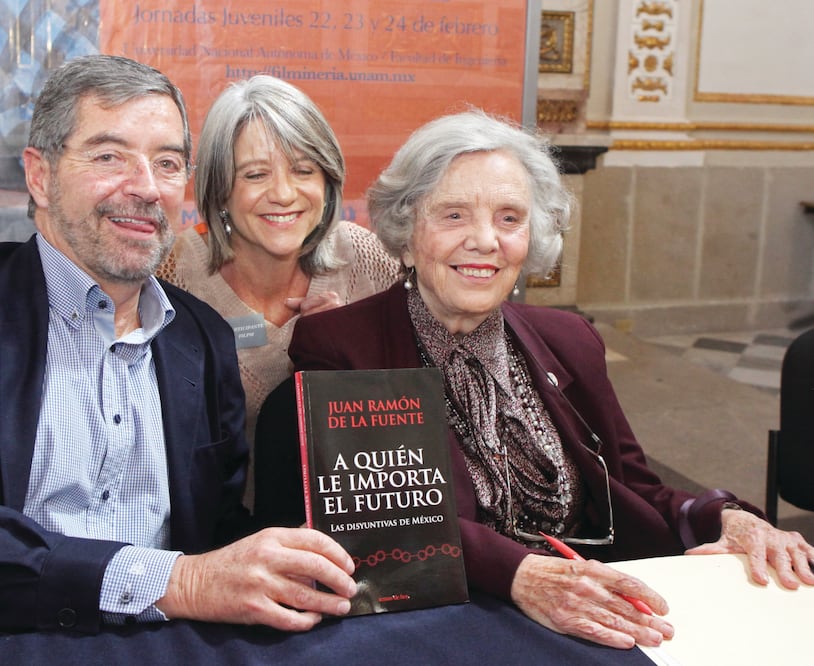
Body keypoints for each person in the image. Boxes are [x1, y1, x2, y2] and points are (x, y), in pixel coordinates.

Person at [256, 109, 814, 649]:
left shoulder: (570, 339)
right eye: (453, 215)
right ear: (406, 232)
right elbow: (381, 524)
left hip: (590, 602)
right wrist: (523, 575)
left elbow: (635, 488)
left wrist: (727, 518)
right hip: (448, 623)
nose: (485, 240)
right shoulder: (344, 348)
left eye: (509, 218)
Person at [0, 54, 356, 634]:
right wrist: (181, 583)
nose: (145, 188)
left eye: (166, 163)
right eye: (109, 156)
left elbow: (216, 530)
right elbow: (198, 575)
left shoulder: (202, 340)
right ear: (39, 176)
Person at [157, 75, 399, 507]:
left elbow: (414, 421)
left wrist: (347, 350)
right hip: (218, 533)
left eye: (303, 170)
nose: (284, 194)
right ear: (220, 190)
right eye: (256, 174)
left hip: (354, 528)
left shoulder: (369, 260)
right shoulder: (171, 275)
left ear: (327, 181)